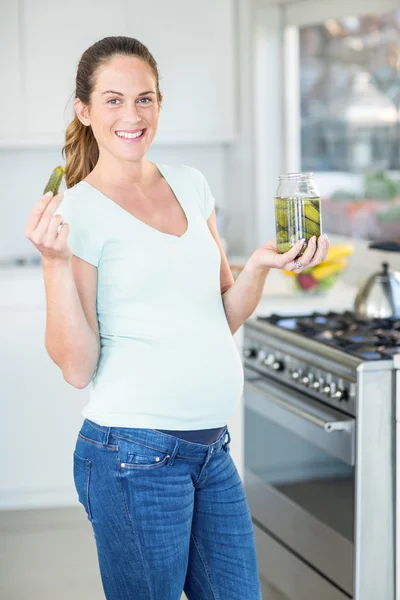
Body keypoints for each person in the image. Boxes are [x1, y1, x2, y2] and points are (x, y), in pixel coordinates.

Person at [24, 36, 329, 600]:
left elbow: (221, 316)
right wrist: (53, 263)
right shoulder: (79, 209)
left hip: (211, 452)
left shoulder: (191, 184)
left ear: (160, 104)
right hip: (132, 459)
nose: (133, 115)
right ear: (84, 111)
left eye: (146, 99)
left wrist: (261, 264)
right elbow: (75, 366)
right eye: (113, 100)